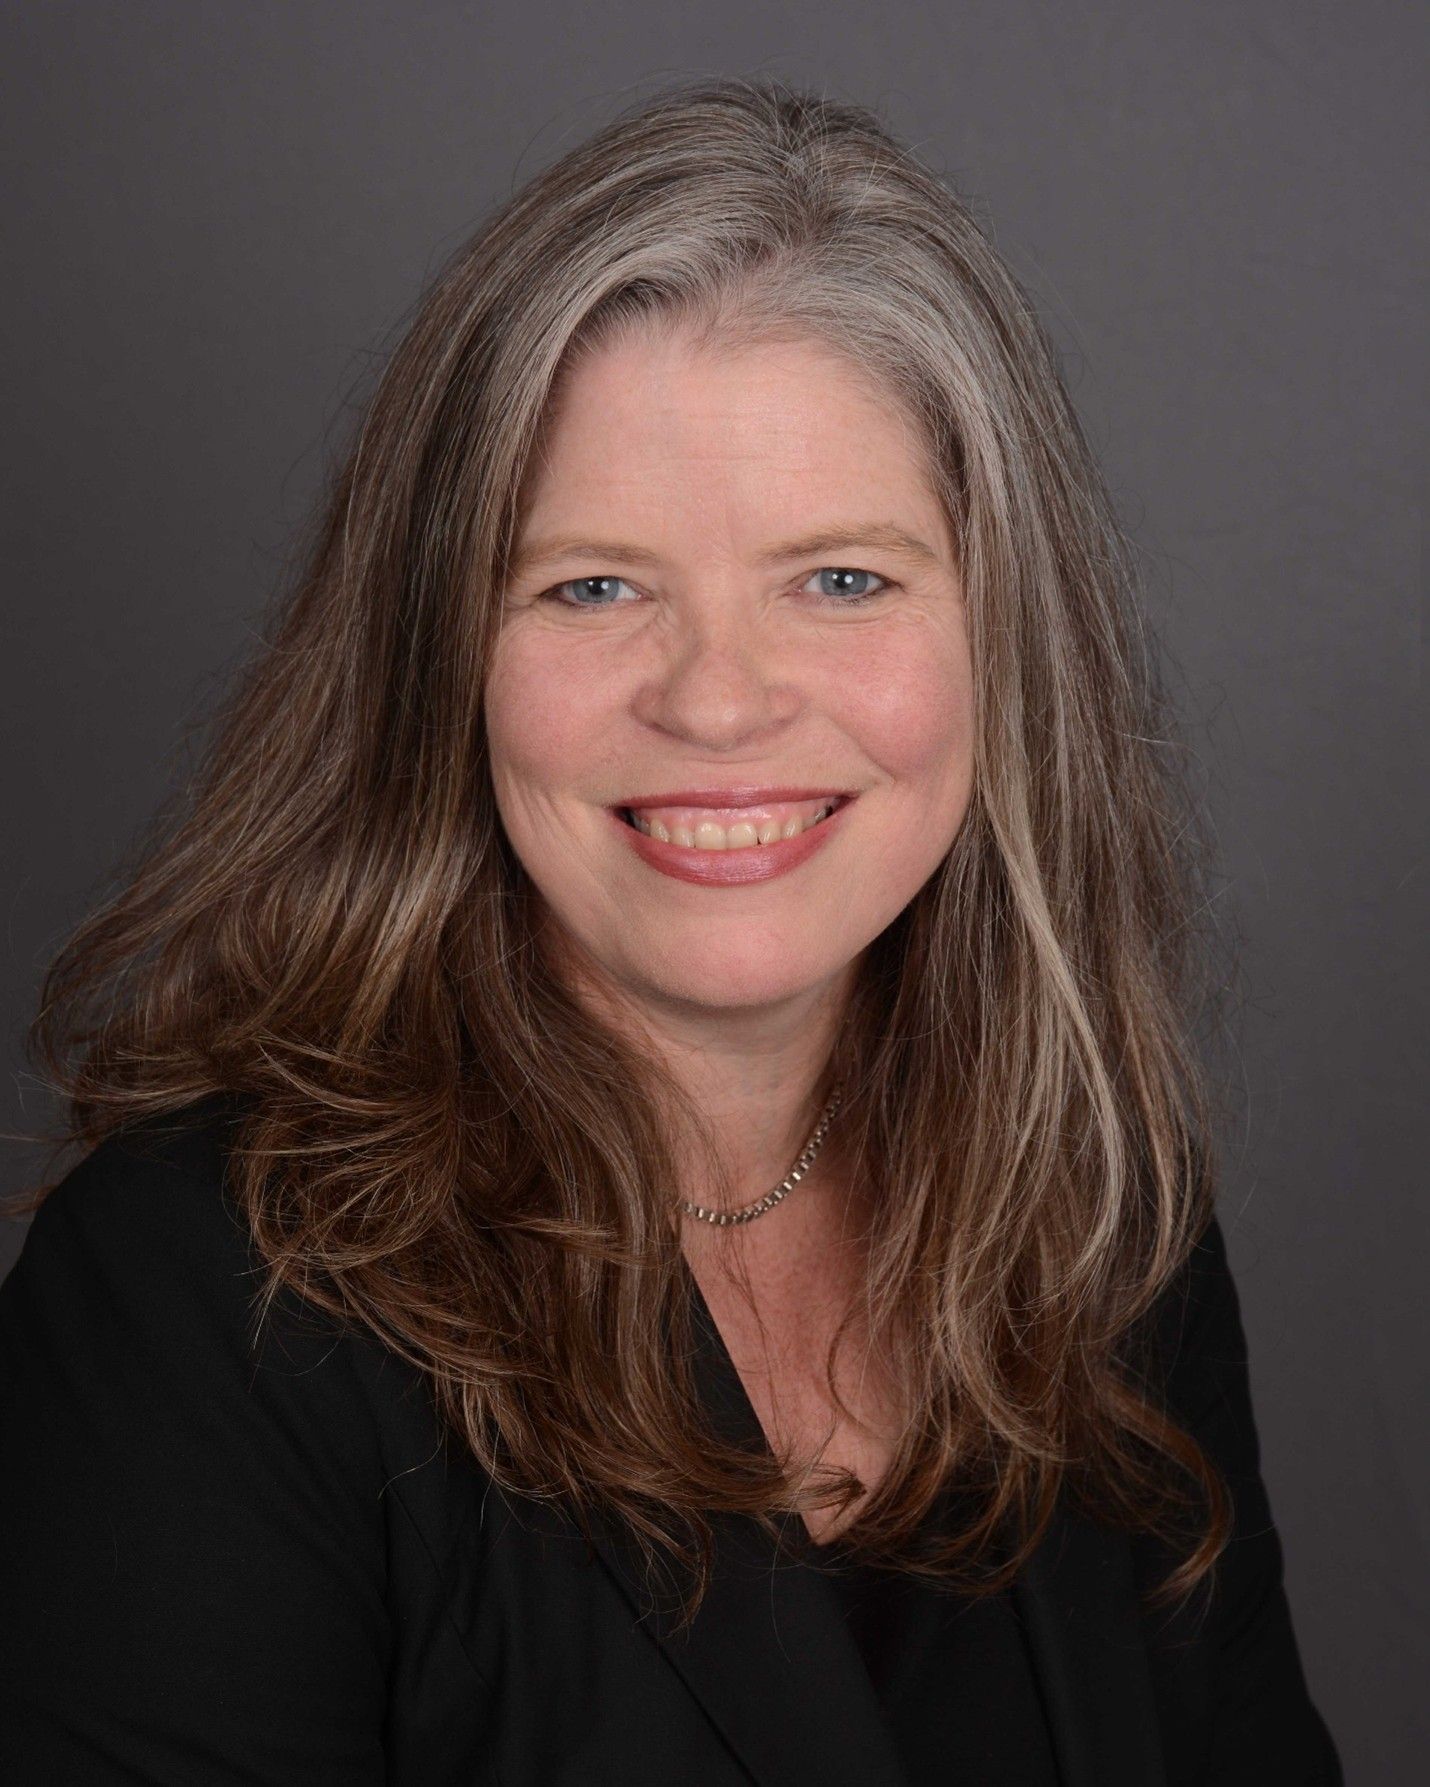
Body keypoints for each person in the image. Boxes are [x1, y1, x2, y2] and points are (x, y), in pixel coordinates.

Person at [0, 76, 1340, 1785]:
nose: (718, 701)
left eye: (839, 577)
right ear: (441, 658)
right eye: (592, 585)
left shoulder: (1091, 1216)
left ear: (1009, 643)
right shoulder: (206, 1302)